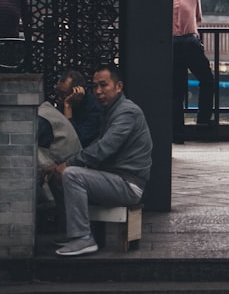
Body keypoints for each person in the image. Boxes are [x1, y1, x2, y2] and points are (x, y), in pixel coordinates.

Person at [43, 63, 153, 257]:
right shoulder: (110, 111)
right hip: (112, 178)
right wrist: (60, 165)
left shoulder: (127, 112)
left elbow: (103, 148)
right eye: (95, 87)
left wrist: (67, 164)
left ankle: (83, 238)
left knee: (71, 174)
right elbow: (96, 145)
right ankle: (73, 233)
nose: (99, 91)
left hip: (128, 184)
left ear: (118, 87)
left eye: (104, 85)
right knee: (56, 174)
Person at [173, 0, 219, 142]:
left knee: (176, 89)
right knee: (207, 80)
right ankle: (203, 120)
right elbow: (198, 19)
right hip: (189, 42)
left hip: (170, 43)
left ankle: (177, 133)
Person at [36, 86, 82, 209]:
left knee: (32, 156)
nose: (61, 99)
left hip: (67, 175)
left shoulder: (40, 118)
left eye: (64, 94)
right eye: (60, 94)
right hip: (71, 169)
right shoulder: (49, 112)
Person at [55, 69, 102, 147]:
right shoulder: (61, 105)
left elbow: (76, 139)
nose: (60, 98)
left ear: (76, 92)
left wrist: (68, 108)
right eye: (58, 93)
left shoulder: (94, 109)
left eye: (63, 94)